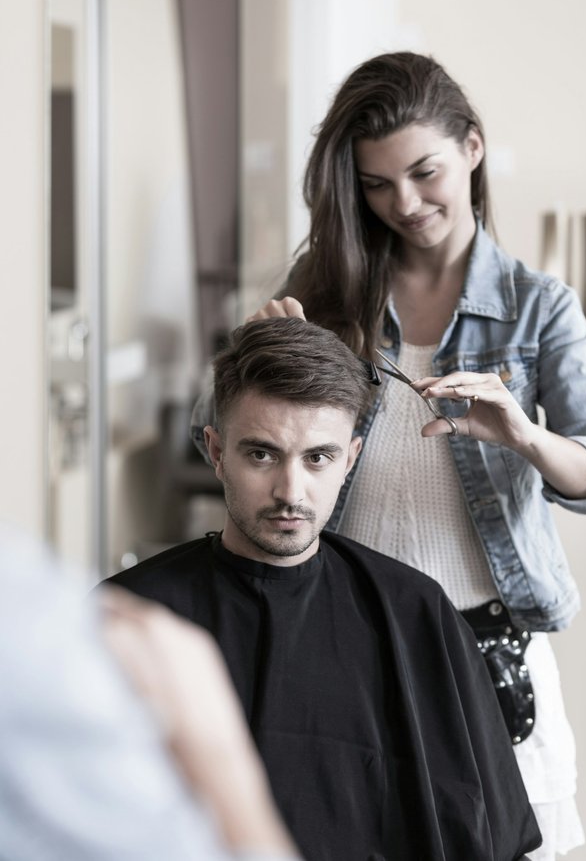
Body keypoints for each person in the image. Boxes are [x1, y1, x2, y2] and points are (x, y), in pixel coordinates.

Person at [224, 51, 586, 860]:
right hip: (348, 635)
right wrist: (257, 356)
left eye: (424, 172)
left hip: (489, 647)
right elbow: (223, 437)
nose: (405, 203)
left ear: (472, 147)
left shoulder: (540, 308)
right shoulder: (327, 289)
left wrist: (525, 437)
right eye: (376, 184)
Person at [105, 316, 541, 861]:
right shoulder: (128, 621)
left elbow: (498, 843)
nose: (291, 491)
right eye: (262, 454)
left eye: (318, 458)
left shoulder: (414, 614)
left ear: (350, 457)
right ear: (216, 452)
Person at [0, 523, 300, 861]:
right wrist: (219, 763)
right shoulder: (41, 628)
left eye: (316, 463)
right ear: (216, 465)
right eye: (261, 463)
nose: (290, 491)